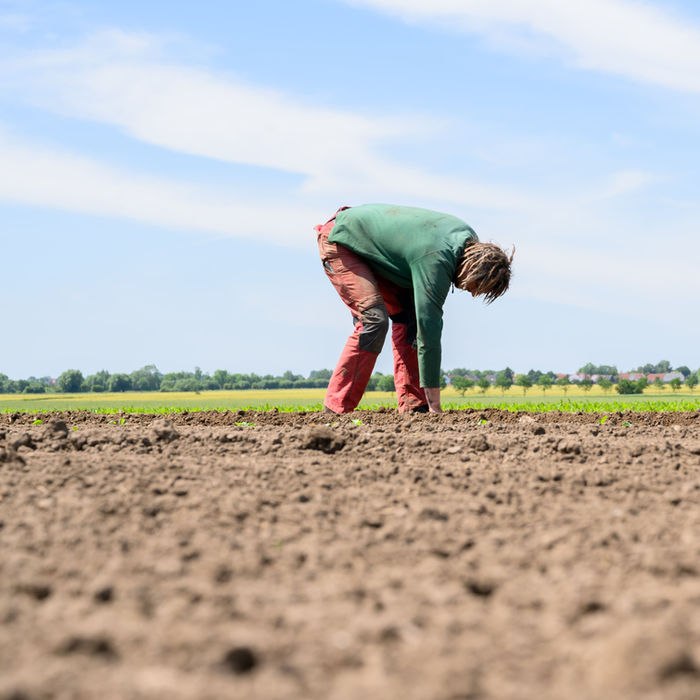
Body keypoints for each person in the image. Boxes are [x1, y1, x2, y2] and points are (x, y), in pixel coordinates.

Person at [316, 203, 513, 414]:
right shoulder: (436, 261)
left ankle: (414, 406)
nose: (473, 293)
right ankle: (336, 408)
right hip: (342, 240)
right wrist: (436, 406)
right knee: (374, 321)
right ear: (472, 269)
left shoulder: (466, 239)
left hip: (378, 254)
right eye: (477, 286)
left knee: (410, 320)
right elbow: (429, 334)